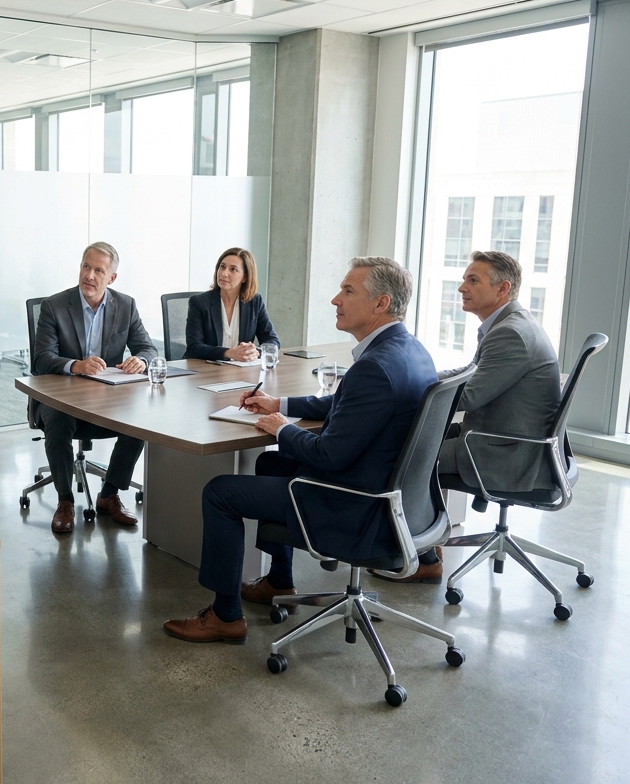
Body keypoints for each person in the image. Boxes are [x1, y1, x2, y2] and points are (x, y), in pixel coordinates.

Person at [163, 257, 437, 644]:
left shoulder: (374, 367)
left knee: (220, 492)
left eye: (348, 291)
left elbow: (328, 456)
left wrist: (283, 429)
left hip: (354, 505)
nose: (334, 300)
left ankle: (225, 616)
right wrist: (281, 406)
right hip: (394, 497)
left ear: (381, 303)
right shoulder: (409, 351)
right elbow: (344, 407)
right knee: (272, 461)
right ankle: (279, 580)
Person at [373, 250, 561, 584]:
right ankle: (421, 545)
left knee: (406, 457)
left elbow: (469, 396)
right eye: (464, 279)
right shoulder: (508, 323)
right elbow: (470, 373)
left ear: (502, 289)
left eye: (473, 280)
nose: (462, 287)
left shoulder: (511, 334)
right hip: (503, 435)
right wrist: (424, 377)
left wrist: (409, 389)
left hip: (507, 452)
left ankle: (421, 556)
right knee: (416, 440)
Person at [31, 242, 159, 535]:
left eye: (98, 270)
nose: (89, 275)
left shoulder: (125, 305)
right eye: (85, 267)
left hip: (106, 400)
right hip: (60, 397)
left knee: (140, 421)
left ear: (111, 278)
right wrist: (76, 365)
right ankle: (64, 501)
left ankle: (109, 493)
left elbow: (148, 349)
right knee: (59, 419)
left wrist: (140, 360)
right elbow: (41, 360)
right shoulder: (55, 305)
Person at [184, 247, 279, 362]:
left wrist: (256, 352)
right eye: (222, 267)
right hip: (205, 371)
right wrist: (229, 353)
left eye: (233, 269)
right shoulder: (199, 302)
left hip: (240, 370)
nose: (224, 273)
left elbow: (272, 341)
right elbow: (194, 347)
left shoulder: (255, 302)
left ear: (245, 277)